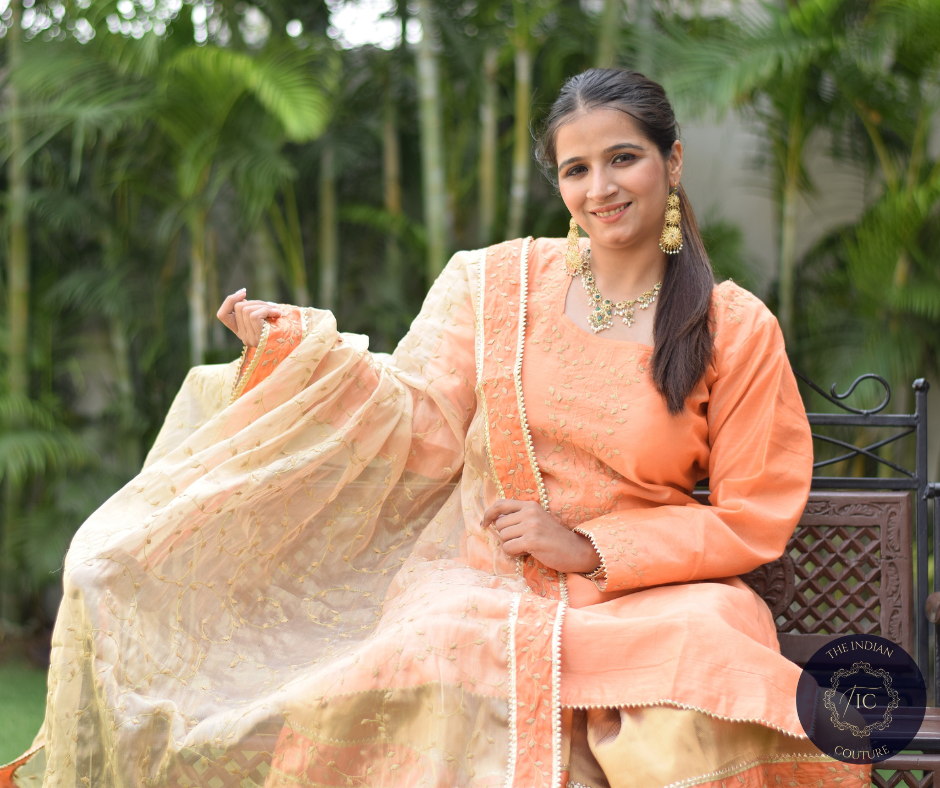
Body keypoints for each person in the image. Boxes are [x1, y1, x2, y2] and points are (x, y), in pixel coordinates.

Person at [1, 68, 871, 788]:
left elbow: (753, 515)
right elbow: (415, 419)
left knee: (704, 655)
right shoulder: (491, 285)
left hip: (659, 589)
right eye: (575, 170)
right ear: (557, 183)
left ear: (671, 162)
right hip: (483, 574)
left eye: (624, 159)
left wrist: (595, 549)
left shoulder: (730, 323)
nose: (600, 189)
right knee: (435, 648)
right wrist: (307, 352)